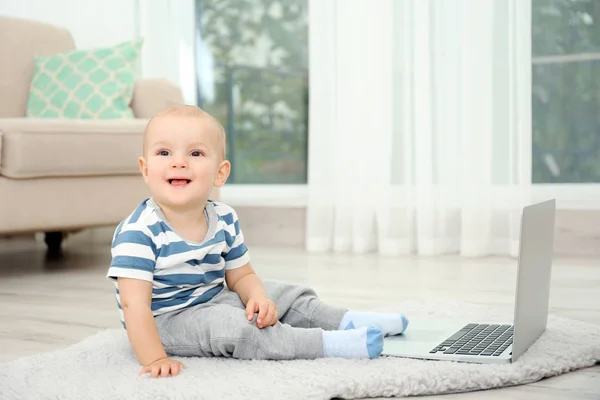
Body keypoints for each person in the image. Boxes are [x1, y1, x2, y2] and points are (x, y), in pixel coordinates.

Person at [106, 105, 409, 378]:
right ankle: (329, 343)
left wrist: (259, 298)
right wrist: (155, 357)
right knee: (238, 329)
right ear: (145, 169)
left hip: (212, 296)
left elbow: (242, 275)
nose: (179, 163)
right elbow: (136, 306)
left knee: (283, 294)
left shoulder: (223, 217)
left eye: (195, 154)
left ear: (220, 173)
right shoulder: (139, 232)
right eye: (164, 153)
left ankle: (346, 320)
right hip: (166, 321)